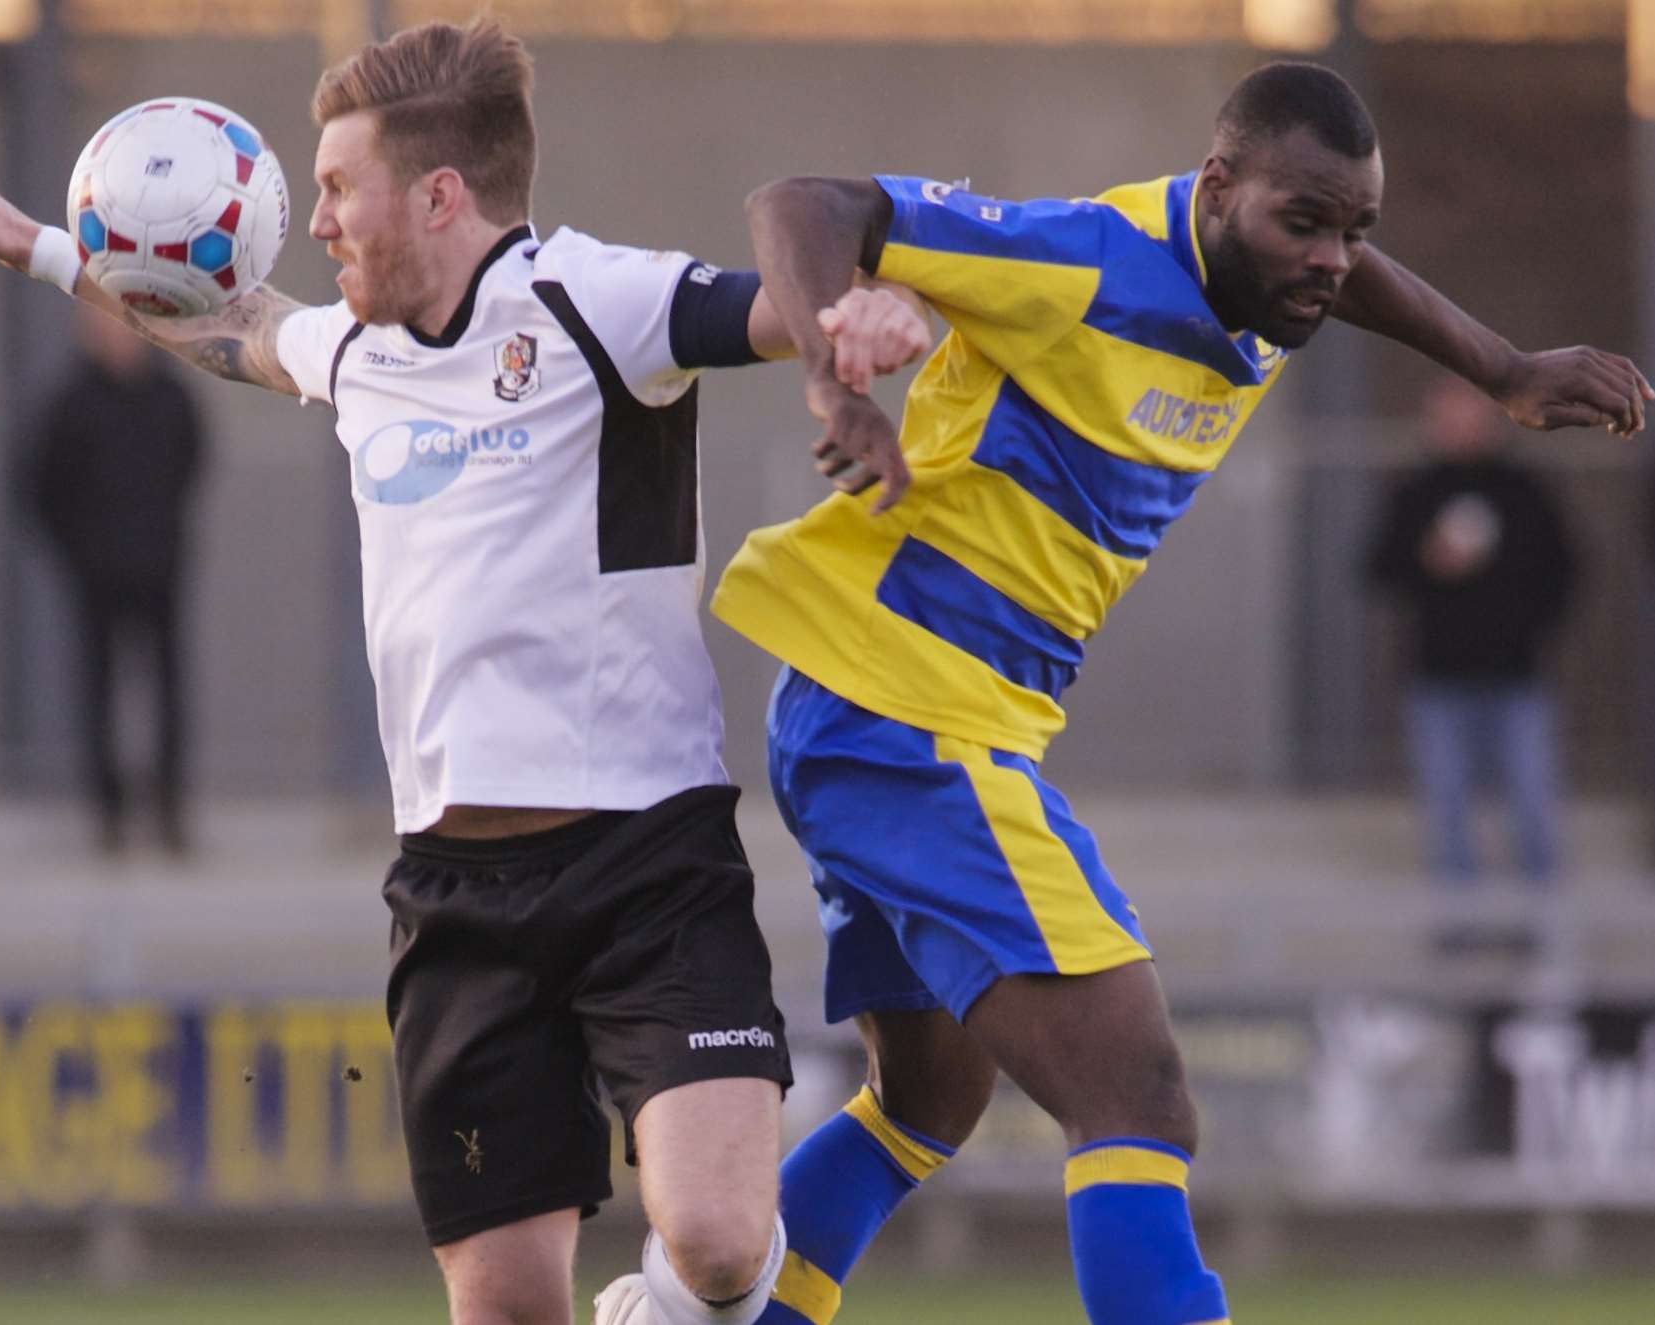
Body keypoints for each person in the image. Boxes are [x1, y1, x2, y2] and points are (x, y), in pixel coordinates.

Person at [0, 19, 928, 1325]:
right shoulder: (357, 355)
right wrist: (41, 246)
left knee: (714, 1242)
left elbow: (778, 306)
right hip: (455, 899)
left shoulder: (599, 302)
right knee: (502, 1311)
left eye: (334, 188)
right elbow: (227, 325)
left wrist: (863, 313)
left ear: (436, 194)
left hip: (649, 866)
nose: (312, 221)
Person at [698, 62, 1648, 1325]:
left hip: (896, 715)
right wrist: (834, 383)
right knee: (1136, 1094)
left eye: (1351, 228)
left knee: (929, 1101)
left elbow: (1340, 261)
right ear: (1216, 191)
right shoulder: (1086, 264)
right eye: (1300, 223)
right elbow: (803, 200)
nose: (1328, 259)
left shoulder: (1268, 280)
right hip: (907, 713)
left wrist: (1502, 365)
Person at [1366, 377, 1575, 889]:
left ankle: (1545, 924)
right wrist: (1428, 560)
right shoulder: (1414, 491)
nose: (1458, 427)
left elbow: (1564, 569)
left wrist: (1524, 617)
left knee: (1533, 801)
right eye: (1447, 416)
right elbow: (1376, 569)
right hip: (1438, 676)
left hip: (1517, 674)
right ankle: (1461, 925)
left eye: (1468, 415)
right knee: (1447, 806)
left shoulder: (1524, 490)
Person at [25, 302, 207, 855]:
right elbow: (38, 485)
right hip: (96, 576)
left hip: (161, 569)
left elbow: (193, 463)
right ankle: (109, 815)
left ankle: (169, 810)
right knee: (97, 691)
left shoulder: (170, 396)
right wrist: (77, 552)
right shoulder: (70, 403)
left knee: (169, 691)